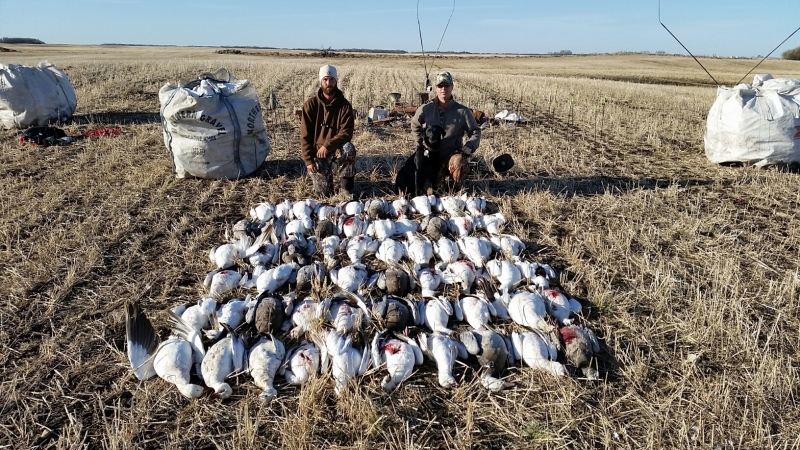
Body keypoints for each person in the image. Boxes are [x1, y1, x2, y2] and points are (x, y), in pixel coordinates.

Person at [410, 71, 481, 193]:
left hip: (451, 156)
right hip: (431, 158)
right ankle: (438, 184)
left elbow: (475, 131)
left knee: (459, 162)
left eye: (447, 85)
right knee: (431, 192)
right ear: (436, 88)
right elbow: (414, 125)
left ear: (452, 86)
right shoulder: (426, 109)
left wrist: (470, 145)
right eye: (440, 86)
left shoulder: (462, 111)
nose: (443, 89)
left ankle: (455, 188)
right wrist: (421, 142)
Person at [300, 64, 356, 198]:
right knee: (324, 195)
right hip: (318, 154)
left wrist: (328, 145)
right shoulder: (310, 105)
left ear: (336, 81)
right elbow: (304, 135)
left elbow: (347, 132)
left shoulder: (344, 106)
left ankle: (346, 189)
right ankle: (326, 181)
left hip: (336, 150)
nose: (328, 83)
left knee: (349, 148)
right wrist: (309, 161)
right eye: (325, 79)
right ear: (320, 81)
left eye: (331, 80)